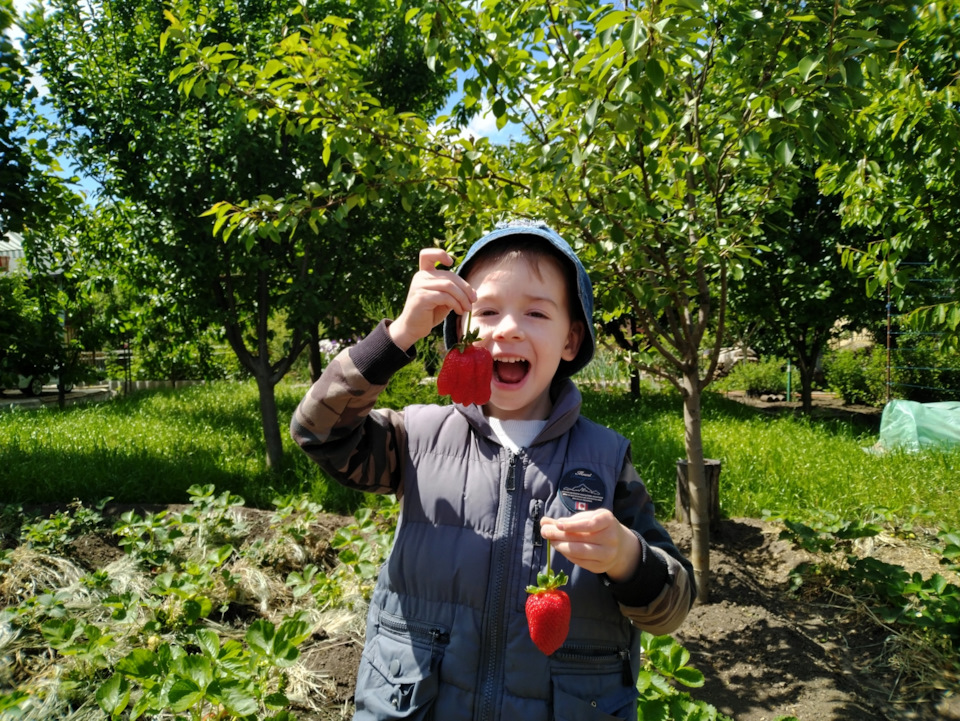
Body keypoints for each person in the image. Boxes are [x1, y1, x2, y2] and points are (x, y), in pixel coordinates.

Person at [290, 221, 695, 721]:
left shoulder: (606, 459)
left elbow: (673, 605)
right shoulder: (416, 438)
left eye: (535, 312)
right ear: (459, 328)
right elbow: (318, 432)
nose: (508, 327)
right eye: (486, 310)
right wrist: (398, 335)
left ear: (571, 339)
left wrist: (627, 558)